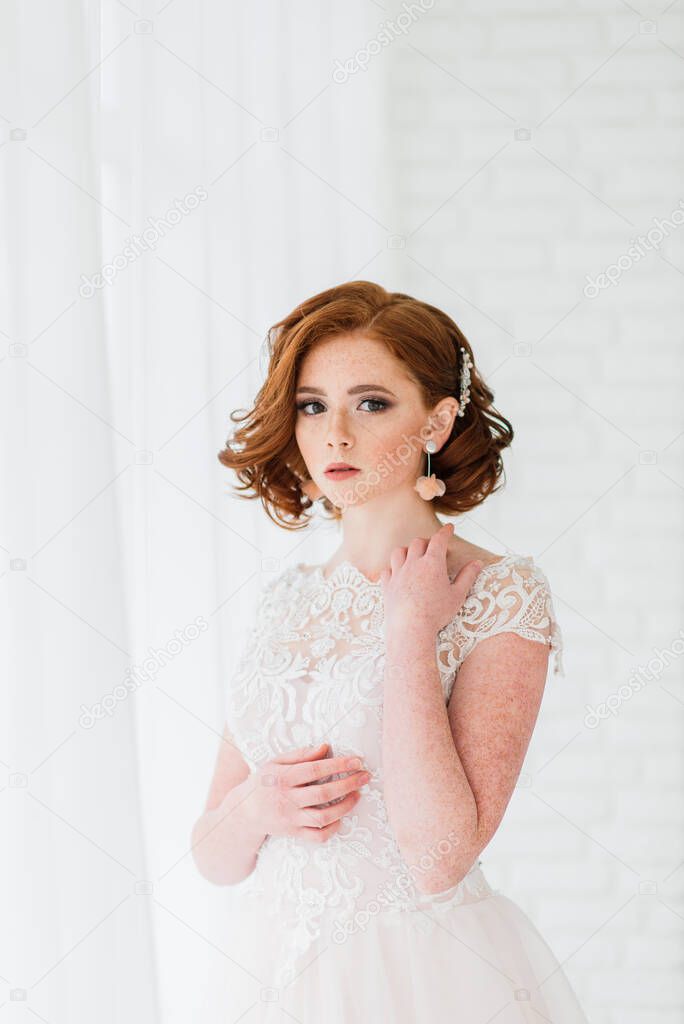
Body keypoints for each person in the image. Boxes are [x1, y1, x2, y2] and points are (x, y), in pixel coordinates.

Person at [192, 280, 588, 1021]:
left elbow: (440, 860)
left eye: (371, 403)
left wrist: (410, 630)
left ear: (436, 420)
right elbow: (215, 858)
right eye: (313, 406)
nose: (334, 433)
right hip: (270, 971)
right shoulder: (288, 596)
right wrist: (255, 808)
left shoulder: (499, 592)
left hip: (423, 979)